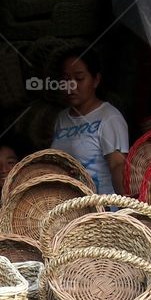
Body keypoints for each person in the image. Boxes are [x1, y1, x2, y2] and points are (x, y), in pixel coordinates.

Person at [50, 49, 129, 196]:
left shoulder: (109, 117)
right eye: (66, 79)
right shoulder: (62, 119)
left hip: (102, 209)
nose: (71, 85)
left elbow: (118, 164)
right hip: (70, 208)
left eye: (79, 79)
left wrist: (127, 207)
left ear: (96, 80)